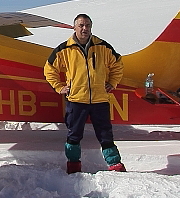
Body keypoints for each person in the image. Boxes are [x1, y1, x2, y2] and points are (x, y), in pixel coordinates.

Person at [43, 14, 125, 173]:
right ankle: (73, 165)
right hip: (76, 100)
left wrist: (112, 83)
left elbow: (117, 64)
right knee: (74, 135)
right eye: (81, 25)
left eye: (87, 25)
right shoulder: (65, 49)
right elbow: (49, 69)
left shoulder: (103, 47)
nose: (84, 28)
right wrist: (59, 87)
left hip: (99, 99)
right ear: (74, 27)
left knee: (105, 135)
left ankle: (115, 164)